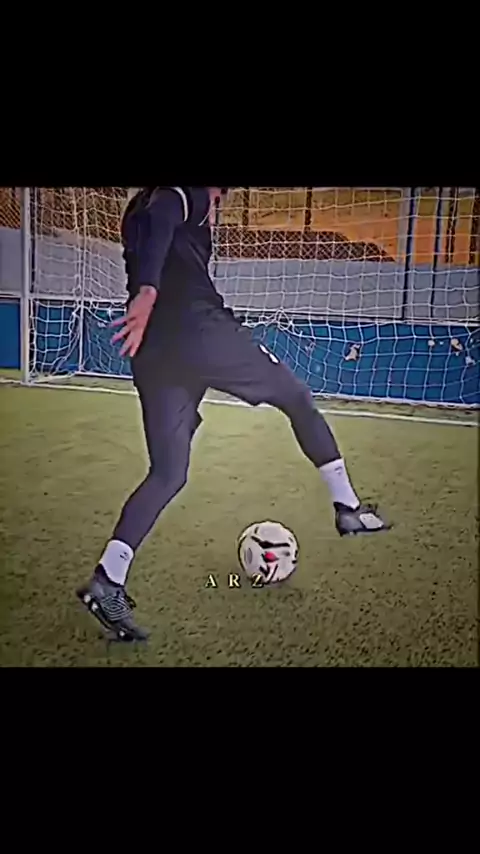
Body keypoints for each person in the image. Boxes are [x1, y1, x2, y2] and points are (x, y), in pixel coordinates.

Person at [77, 187, 390, 641]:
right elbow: (167, 211)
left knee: (168, 473)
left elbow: (159, 224)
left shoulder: (137, 206)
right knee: (297, 397)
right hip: (201, 334)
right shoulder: (184, 192)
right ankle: (349, 508)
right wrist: (146, 291)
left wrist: (146, 295)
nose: (221, 198)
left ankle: (109, 578)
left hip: (154, 351)